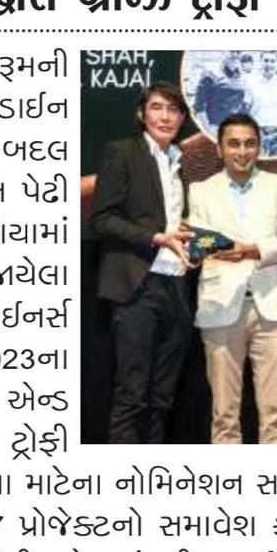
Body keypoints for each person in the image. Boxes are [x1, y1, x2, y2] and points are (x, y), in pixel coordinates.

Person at [187, 114, 277, 443]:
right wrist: (203, 246)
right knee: (224, 413)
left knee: (275, 413)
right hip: (220, 306)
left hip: (274, 307)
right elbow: (198, 241)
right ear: (219, 149)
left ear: (259, 148)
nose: (242, 151)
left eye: (250, 143)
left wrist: (251, 250)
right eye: (234, 144)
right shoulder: (200, 190)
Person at [90, 81, 194, 444]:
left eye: (173, 109)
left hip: (177, 285)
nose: (165, 116)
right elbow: (102, 219)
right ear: (141, 113)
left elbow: (170, 218)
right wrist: (155, 237)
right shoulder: (122, 152)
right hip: (137, 285)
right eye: (157, 107)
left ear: (183, 117)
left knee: (163, 396)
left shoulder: (179, 161)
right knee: (132, 393)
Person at [245, 50, 277, 130]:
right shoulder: (250, 82)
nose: (269, 64)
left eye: (273, 61)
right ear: (260, 62)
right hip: (258, 128)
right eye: (266, 61)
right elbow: (246, 107)